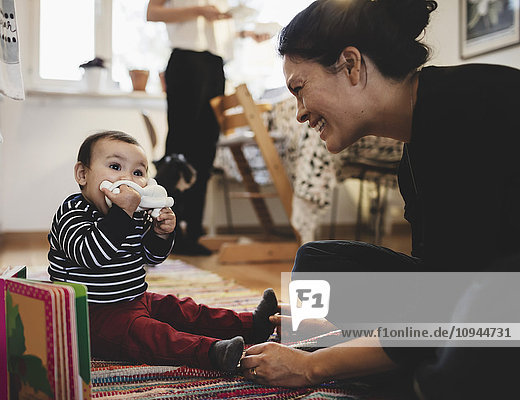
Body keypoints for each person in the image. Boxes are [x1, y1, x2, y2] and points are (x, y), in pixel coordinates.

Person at [239, 0, 520, 396]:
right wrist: (350, 332)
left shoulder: (468, 105)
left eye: (299, 89)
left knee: (471, 324)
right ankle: (395, 358)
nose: (300, 113)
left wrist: (312, 366)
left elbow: (451, 300)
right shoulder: (416, 147)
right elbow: (440, 279)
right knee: (319, 264)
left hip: (502, 296)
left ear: (351, 65)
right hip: (477, 296)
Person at [47, 130, 279, 371]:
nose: (127, 178)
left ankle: (251, 325)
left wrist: (160, 234)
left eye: (138, 173)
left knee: (186, 311)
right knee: (151, 335)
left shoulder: (134, 213)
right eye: (115, 166)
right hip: (89, 315)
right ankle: (211, 352)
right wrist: (122, 214)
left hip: (135, 298)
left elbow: (151, 257)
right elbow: (92, 256)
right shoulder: (73, 213)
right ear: (83, 174)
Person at [147, 0, 270, 255]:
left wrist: (245, 33)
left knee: (205, 149)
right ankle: (165, 231)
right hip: (185, 62)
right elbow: (152, 12)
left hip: (215, 66)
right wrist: (200, 11)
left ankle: (193, 232)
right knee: (180, 149)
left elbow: (216, 32)